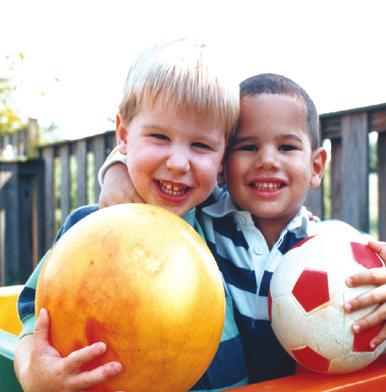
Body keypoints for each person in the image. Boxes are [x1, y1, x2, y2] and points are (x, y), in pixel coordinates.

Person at [98, 73, 386, 383]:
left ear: (316, 165)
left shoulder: (341, 254)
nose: (267, 159)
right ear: (221, 164)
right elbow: (159, 168)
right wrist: (118, 168)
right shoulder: (200, 218)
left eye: (286, 147)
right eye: (248, 146)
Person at [15, 38, 248, 392]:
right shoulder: (90, 230)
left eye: (201, 145)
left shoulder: (222, 225)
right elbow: (35, 317)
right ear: (123, 134)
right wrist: (34, 373)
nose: (178, 162)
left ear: (221, 159)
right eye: (159, 136)